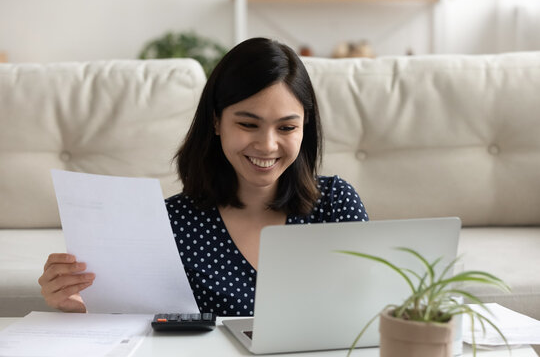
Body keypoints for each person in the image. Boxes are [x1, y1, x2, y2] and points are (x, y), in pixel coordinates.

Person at [38, 37, 369, 316]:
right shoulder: (168, 225)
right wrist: (80, 304)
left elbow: (373, 310)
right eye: (248, 124)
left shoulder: (336, 204)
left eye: (286, 127)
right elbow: (141, 327)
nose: (267, 145)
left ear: (304, 126)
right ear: (216, 122)